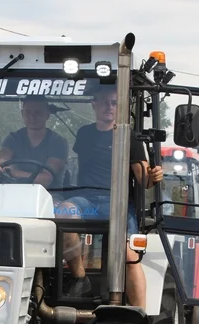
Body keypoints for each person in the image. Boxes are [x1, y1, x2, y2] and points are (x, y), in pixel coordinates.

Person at [55, 85, 163, 307]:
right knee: (63, 213)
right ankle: (79, 278)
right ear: (93, 104)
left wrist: (153, 175)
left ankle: (139, 314)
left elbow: (143, 179)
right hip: (87, 201)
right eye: (104, 102)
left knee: (129, 254)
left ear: (119, 107)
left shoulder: (129, 137)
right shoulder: (84, 134)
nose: (109, 107)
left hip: (118, 204)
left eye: (114, 103)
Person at [0, 95, 69, 189]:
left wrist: (14, 172)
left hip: (49, 197)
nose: (32, 117)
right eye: (28, 112)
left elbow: (45, 180)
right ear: (22, 113)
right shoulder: (14, 138)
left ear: (47, 115)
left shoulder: (58, 143)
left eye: (38, 113)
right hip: (14, 193)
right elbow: (1, 160)